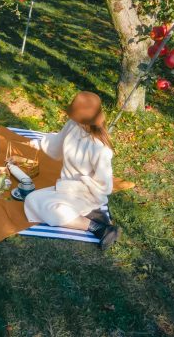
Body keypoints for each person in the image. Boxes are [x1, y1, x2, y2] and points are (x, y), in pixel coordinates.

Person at [24, 91, 121, 249]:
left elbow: (105, 185)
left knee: (50, 209)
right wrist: (39, 142)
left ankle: (99, 228)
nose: (74, 120)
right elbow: (57, 142)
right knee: (32, 200)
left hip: (86, 193)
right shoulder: (73, 124)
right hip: (65, 187)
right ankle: (93, 215)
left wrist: (82, 184)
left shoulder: (100, 149)